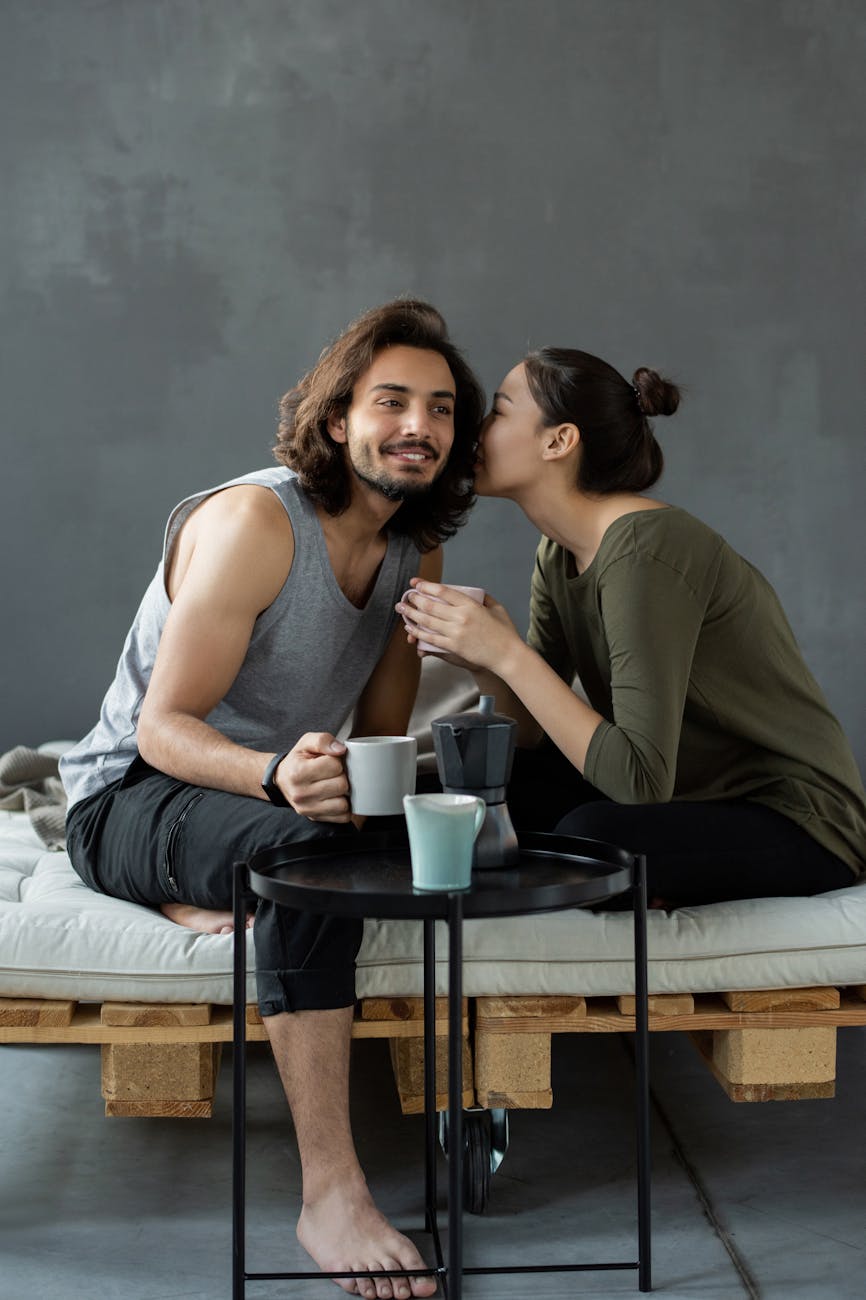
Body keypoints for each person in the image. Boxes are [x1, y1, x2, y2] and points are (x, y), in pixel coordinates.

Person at [60, 299, 485, 1300]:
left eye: (440, 408)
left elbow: (377, 737)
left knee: (426, 829)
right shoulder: (257, 519)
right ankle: (330, 1193)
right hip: (132, 794)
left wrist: (442, 660)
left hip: (264, 800)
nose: (417, 426)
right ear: (338, 418)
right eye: (390, 401)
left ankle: (227, 890)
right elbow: (164, 727)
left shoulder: (412, 549)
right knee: (306, 856)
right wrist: (271, 777)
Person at [397, 347, 866, 905]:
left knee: (593, 842)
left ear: (558, 441)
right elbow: (535, 734)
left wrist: (506, 653)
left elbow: (640, 780)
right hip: (687, 797)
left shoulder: (644, 552)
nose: (479, 428)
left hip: (797, 820)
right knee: (451, 801)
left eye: (500, 410)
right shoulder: (558, 552)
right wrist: (482, 660)